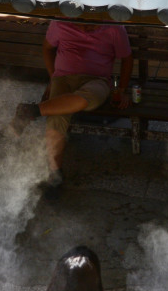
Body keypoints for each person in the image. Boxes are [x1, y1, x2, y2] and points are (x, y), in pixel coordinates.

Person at [14, 21, 134, 189]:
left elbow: (127, 59)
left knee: (88, 99)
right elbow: (47, 48)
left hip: (97, 81)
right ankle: (55, 175)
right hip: (63, 78)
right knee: (56, 118)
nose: (87, 28)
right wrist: (53, 77)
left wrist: (122, 90)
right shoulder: (60, 22)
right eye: (82, 23)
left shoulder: (114, 27)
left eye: (92, 24)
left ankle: (31, 110)